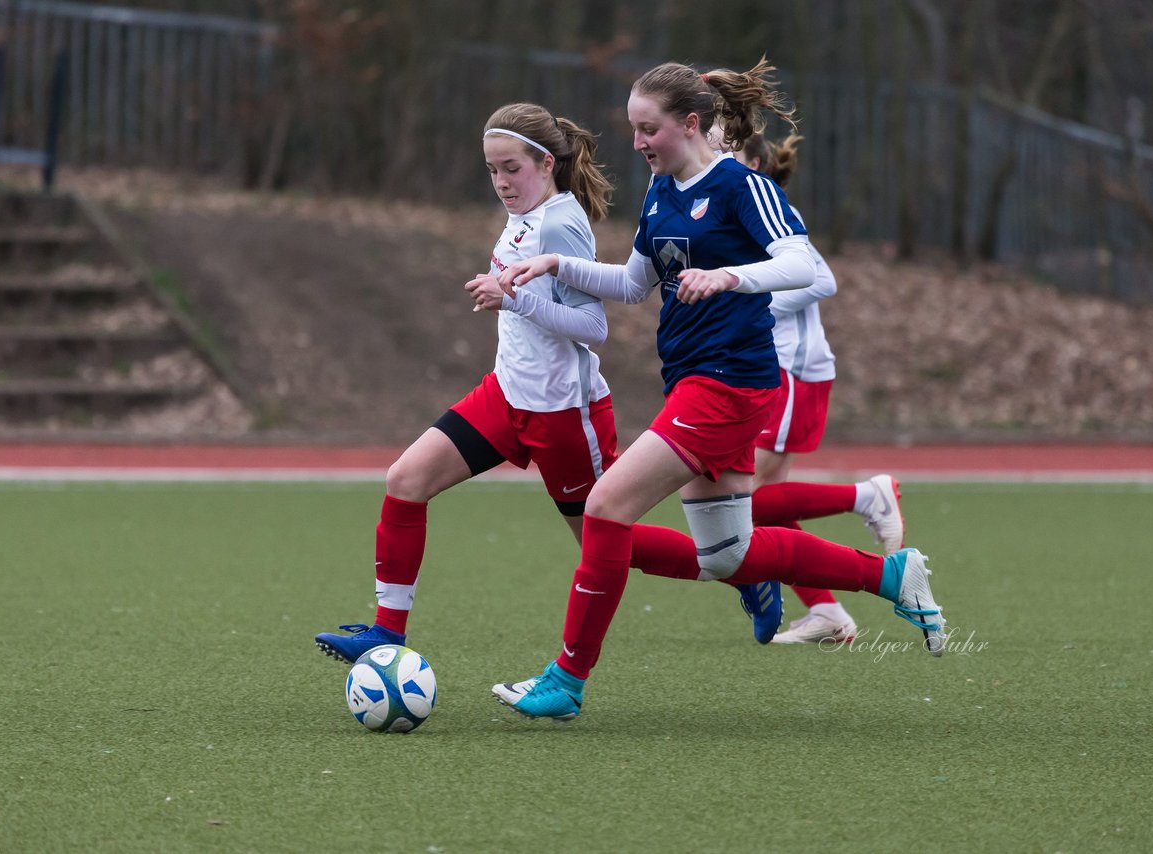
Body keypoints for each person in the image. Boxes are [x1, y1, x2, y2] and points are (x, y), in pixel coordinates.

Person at [490, 59, 947, 721]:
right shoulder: (661, 191)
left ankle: (567, 680)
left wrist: (732, 276)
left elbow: (799, 262)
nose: (640, 143)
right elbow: (632, 284)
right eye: (634, 131)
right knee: (729, 552)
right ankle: (891, 576)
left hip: (730, 384)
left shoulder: (737, 185)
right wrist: (558, 264)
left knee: (606, 506)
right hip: (695, 380)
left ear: (691, 123)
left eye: (650, 129)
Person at [314, 103, 620, 663]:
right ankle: (387, 630)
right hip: (507, 395)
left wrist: (513, 297)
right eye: (492, 170)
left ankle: (732, 566)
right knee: (406, 479)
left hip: (564, 414)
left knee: (611, 543)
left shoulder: (561, 221)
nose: (501, 182)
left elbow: (593, 328)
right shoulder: (524, 211)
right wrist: (512, 295)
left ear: (546, 163)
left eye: (511, 168)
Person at [730, 131, 906, 646]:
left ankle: (866, 497)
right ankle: (827, 612)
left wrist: (750, 303)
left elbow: (821, 279)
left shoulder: (770, 208)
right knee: (766, 508)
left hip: (788, 369)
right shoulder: (737, 208)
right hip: (780, 369)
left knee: (749, 505)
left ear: (756, 163)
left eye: (731, 156)